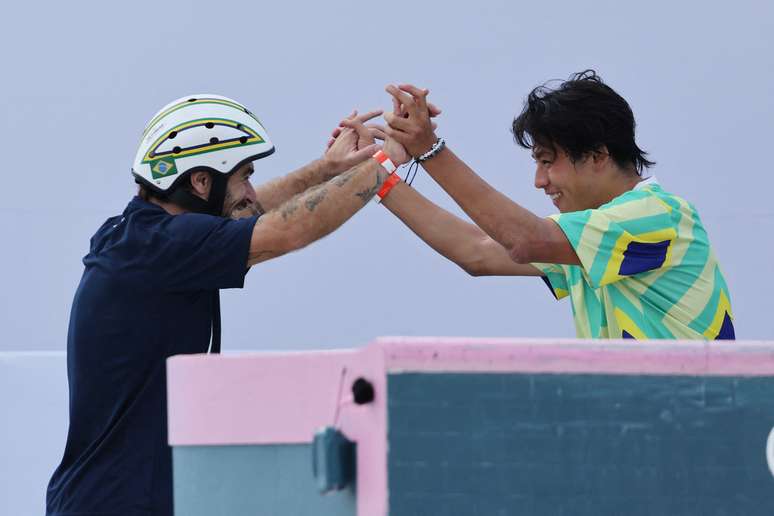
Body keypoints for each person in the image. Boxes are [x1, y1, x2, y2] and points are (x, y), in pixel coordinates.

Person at [46, 94, 407, 516]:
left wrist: (326, 169)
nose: (252, 190)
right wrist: (385, 162)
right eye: (244, 176)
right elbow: (287, 231)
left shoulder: (137, 236)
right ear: (201, 182)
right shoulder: (167, 246)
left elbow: (246, 213)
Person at [342, 70, 734, 340]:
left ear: (598, 156)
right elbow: (476, 252)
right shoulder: (591, 236)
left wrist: (428, 148)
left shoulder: (659, 215)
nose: (539, 181)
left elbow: (523, 239)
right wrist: (374, 174)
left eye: (547, 161)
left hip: (696, 437)